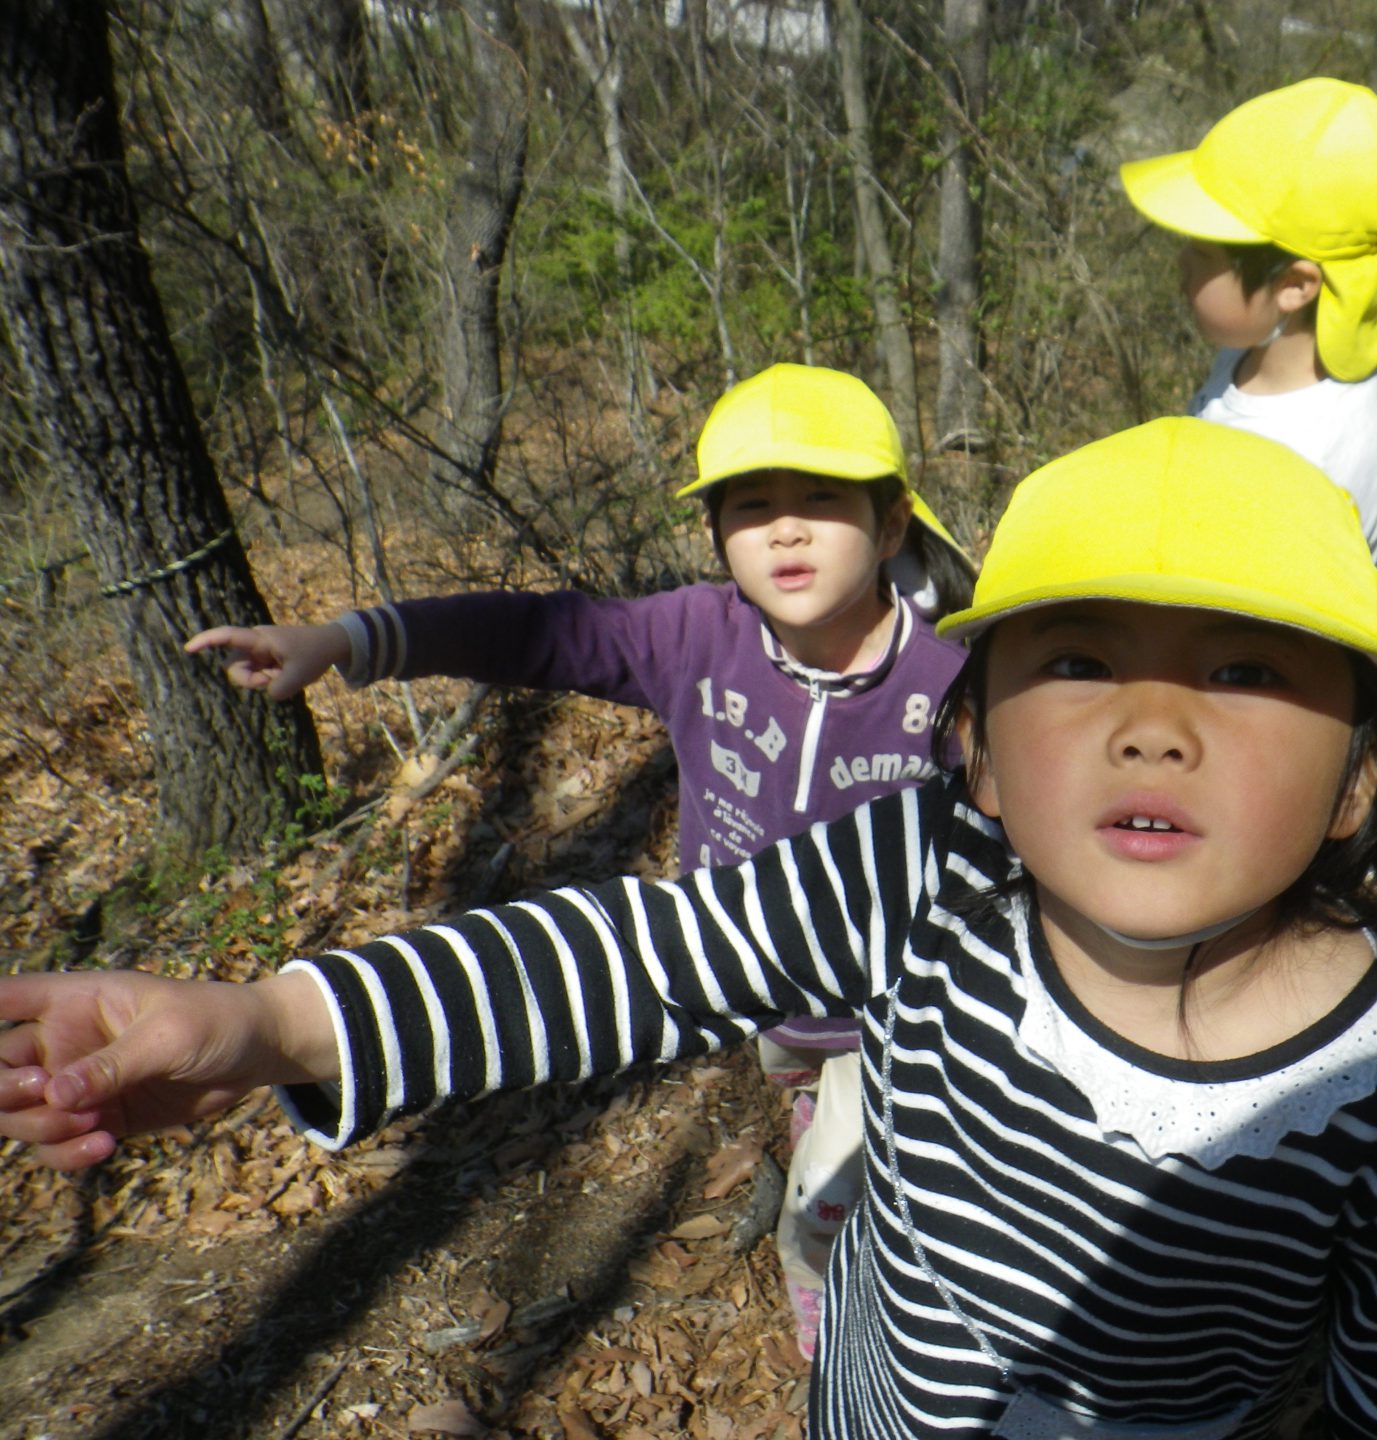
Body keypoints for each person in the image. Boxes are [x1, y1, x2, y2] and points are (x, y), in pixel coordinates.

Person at [2, 419, 1377, 1440]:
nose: (1151, 726)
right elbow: (640, 959)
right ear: (979, 749)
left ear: (1360, 778)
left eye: (1247, 674)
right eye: (1076, 660)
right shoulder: (925, 872)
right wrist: (279, 1025)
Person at [186, 361, 974, 1358]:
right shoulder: (697, 637)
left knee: (835, 1194)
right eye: (751, 506)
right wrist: (344, 641)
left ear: (892, 524)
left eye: (821, 500)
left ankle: (835, 1314)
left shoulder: (953, 681)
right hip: (748, 978)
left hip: (894, 1001)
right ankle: (811, 1107)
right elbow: (536, 633)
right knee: (802, 1087)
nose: (784, 530)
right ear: (717, 534)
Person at [1120, 77, 1377, 566]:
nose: (1181, 263)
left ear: (1295, 287)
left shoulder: (1314, 463)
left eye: (1203, 253)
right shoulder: (1250, 354)